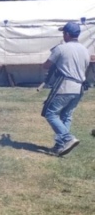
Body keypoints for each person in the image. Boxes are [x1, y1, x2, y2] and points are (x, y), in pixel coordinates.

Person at [41, 22, 89, 156]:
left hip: (65, 86)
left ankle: (68, 138)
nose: (63, 35)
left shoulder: (61, 48)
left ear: (67, 34)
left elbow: (46, 65)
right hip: (79, 87)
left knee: (50, 113)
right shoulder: (85, 50)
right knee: (66, 116)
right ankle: (60, 145)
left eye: (63, 33)